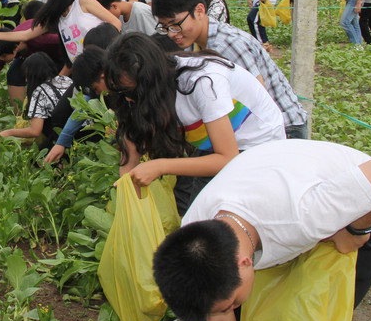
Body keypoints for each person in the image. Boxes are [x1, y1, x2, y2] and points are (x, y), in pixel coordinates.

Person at [152, 140, 371, 321]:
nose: (221, 314)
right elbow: (219, 320)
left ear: (246, 263)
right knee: (251, 316)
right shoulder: (194, 233)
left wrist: (357, 228)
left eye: (226, 305)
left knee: (315, 319)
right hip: (283, 176)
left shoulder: (304, 216)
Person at [103, 33, 285, 212]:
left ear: (149, 82)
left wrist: (159, 167)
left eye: (131, 92)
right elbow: (130, 154)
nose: (127, 99)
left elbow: (227, 158)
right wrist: (129, 196)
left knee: (217, 221)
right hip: (215, 147)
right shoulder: (143, 91)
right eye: (121, 92)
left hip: (258, 148)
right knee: (197, 218)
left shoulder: (204, 82)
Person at [151, 0, 309, 138]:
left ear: (199, 11)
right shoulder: (193, 42)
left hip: (284, 128)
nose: (171, 33)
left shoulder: (228, 46)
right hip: (252, 127)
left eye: (175, 24)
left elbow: (260, 105)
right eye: (165, 27)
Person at [0, 1, 68, 114]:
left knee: (42, 79)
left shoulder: (45, 41)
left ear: (16, 48)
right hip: (31, 56)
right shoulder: (5, 44)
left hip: (59, 57)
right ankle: (20, 114)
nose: (0, 59)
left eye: (2, 56)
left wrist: (59, 79)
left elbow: (71, 54)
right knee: (13, 74)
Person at [0, 52, 73, 141]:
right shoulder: (65, 79)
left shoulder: (39, 91)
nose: (26, 80)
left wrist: (9, 132)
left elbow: (35, 131)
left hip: (66, 136)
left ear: (34, 75)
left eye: (27, 76)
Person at [89, 0, 158, 36]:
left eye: (106, 13)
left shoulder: (141, 12)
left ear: (114, 6)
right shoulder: (120, 15)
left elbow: (156, 40)